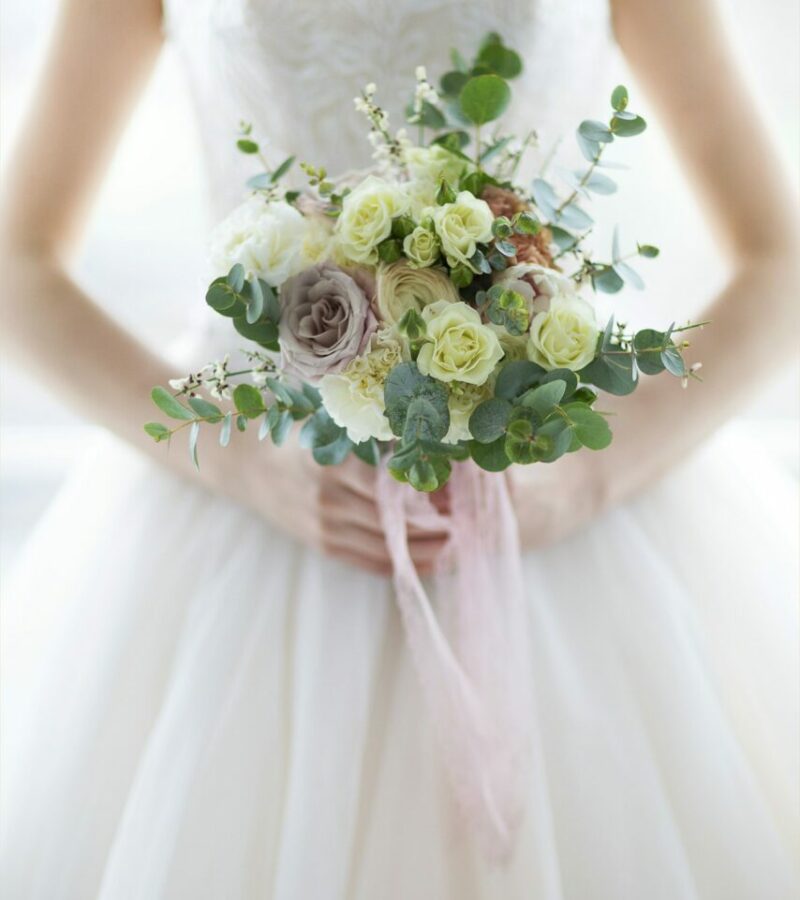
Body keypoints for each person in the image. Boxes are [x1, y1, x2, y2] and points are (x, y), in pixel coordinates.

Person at [1, 0, 797, 896]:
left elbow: (780, 259)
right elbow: (17, 263)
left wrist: (591, 478)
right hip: (252, 505)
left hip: (558, 512)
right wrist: (235, 460)